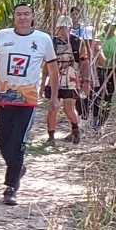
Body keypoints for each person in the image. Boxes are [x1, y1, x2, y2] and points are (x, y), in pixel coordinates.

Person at [0, 2, 58, 205]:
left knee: (18, 143)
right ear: (13, 17)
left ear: (32, 16)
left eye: (26, 14)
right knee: (3, 142)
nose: (22, 17)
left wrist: (54, 96)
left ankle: (10, 187)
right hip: (4, 98)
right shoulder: (2, 36)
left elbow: (53, 69)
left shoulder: (43, 39)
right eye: (19, 14)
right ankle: (18, 168)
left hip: (28, 101)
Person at [46, 15, 85, 143]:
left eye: (66, 28)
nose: (63, 31)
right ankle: (51, 137)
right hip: (55, 77)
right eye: (61, 28)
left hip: (71, 78)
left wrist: (86, 80)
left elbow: (84, 61)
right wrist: (43, 82)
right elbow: (46, 63)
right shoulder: (52, 42)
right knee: (52, 108)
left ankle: (75, 130)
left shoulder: (78, 42)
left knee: (68, 109)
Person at [94, 20, 116, 127]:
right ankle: (94, 120)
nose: (107, 26)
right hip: (98, 70)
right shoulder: (98, 38)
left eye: (110, 25)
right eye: (106, 24)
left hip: (111, 70)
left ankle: (102, 122)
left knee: (108, 96)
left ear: (115, 27)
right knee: (96, 94)